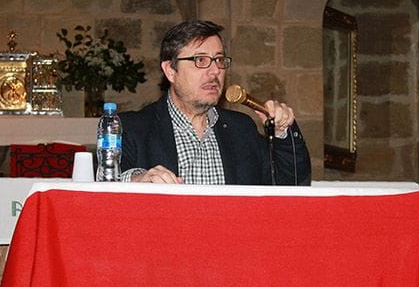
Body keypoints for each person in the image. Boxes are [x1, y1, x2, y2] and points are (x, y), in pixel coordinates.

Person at [119, 20, 311, 185]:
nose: (214, 71)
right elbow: (104, 180)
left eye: (219, 60)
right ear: (170, 70)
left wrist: (282, 132)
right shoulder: (132, 128)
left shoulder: (241, 128)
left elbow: (292, 184)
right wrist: (138, 180)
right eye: (201, 60)